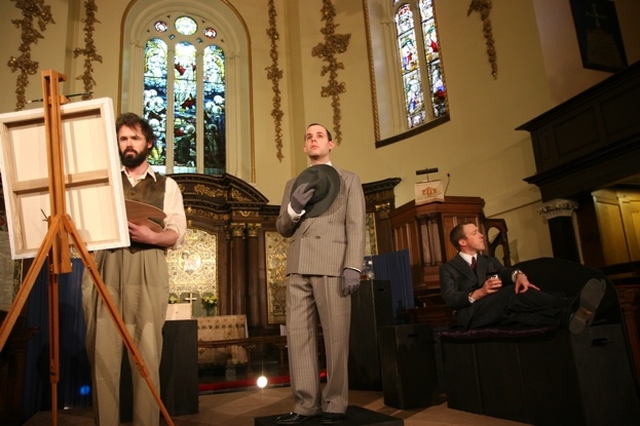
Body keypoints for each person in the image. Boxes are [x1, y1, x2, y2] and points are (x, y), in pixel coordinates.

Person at [81, 112, 187, 425]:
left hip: (147, 264)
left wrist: (154, 236)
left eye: (135, 138)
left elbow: (178, 230)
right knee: (104, 352)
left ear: (148, 143)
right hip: (106, 265)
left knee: (147, 352)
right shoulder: (104, 181)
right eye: (123, 138)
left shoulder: (167, 186)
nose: (128, 144)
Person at [275, 123, 366, 425]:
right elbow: (283, 228)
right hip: (298, 265)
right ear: (304, 147)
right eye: (309, 137)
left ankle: (336, 402)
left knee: (336, 336)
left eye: (320, 136)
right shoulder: (293, 183)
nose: (314, 140)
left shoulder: (349, 180)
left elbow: (355, 224)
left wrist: (353, 265)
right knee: (298, 336)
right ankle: (305, 404)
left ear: (331, 144)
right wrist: (293, 210)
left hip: (333, 264)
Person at [440, 222, 605, 333]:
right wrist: (479, 292)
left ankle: (567, 317)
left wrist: (518, 275)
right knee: (513, 292)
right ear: (462, 241)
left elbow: (505, 272)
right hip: (472, 315)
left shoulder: (488, 261)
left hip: (499, 308)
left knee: (518, 315)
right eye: (475, 233)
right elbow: (451, 298)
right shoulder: (448, 268)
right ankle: (572, 302)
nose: (482, 235)